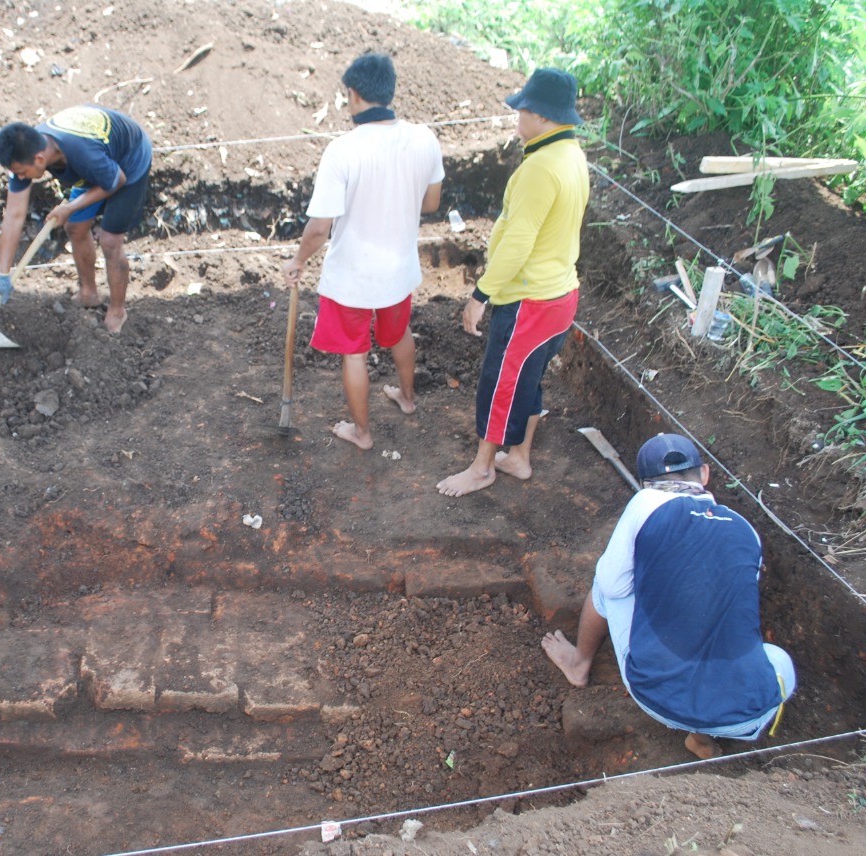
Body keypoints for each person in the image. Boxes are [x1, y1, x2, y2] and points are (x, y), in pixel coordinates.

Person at [542, 433, 797, 760]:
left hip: (661, 699)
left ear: (646, 483)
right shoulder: (745, 529)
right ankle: (702, 739)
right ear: (704, 474)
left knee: (605, 586)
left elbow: (614, 586)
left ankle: (578, 664)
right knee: (773, 657)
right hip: (751, 714)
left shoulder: (646, 503)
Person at [435, 68, 588, 495]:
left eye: (521, 108)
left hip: (530, 300)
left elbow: (519, 243)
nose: (516, 114)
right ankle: (518, 457)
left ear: (540, 115)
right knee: (528, 377)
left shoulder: (541, 168)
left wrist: (481, 294)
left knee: (500, 382)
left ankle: (482, 467)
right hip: (560, 294)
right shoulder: (572, 155)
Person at [281, 52, 445, 450]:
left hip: (353, 278)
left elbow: (320, 228)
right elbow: (431, 205)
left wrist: (298, 260)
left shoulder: (342, 150)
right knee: (398, 332)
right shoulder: (424, 138)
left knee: (354, 353)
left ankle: (363, 433)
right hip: (399, 269)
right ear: (389, 91)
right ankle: (407, 399)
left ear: (353, 96)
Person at [0, 104, 152, 334]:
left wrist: (70, 206)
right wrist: (3, 275)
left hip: (128, 161)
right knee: (75, 226)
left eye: (22, 173)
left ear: (39, 159)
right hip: (98, 166)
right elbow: (14, 215)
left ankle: (117, 310)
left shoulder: (80, 151)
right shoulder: (26, 152)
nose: (20, 177)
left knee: (109, 240)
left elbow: (116, 180)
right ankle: (89, 293)